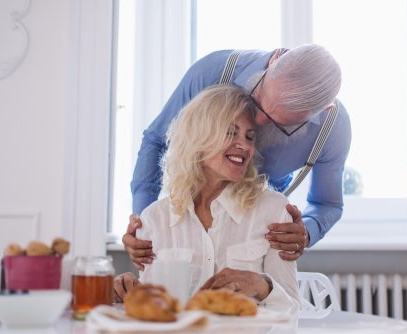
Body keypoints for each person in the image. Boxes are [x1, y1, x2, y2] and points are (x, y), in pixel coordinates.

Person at [124, 44, 351, 270]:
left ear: (323, 110)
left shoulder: (332, 129)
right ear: (275, 59)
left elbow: (327, 204)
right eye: (257, 99)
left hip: (253, 244)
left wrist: (305, 234)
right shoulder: (214, 71)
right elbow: (157, 141)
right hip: (188, 223)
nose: (257, 123)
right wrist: (143, 226)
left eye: (279, 124)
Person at [114, 85, 300, 312]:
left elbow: (293, 311)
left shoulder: (274, 210)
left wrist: (263, 285)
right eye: (231, 132)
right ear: (198, 137)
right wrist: (128, 290)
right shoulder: (154, 218)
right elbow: (154, 311)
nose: (244, 145)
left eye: (249, 137)